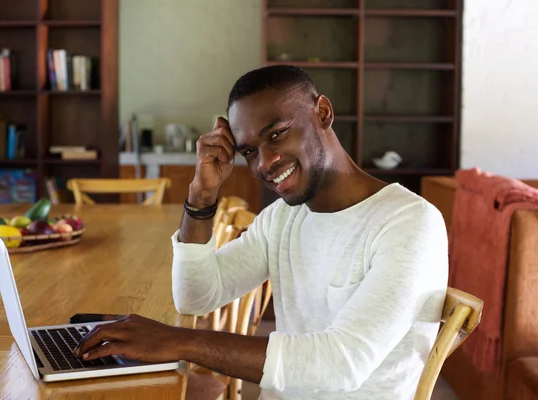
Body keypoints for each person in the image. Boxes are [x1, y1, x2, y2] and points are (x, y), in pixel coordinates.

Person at [75, 65, 449, 399]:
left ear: (322, 112)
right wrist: (201, 197)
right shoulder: (284, 219)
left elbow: (342, 363)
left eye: (277, 134)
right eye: (250, 151)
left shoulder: (409, 223)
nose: (265, 163)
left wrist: (180, 342)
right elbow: (195, 296)